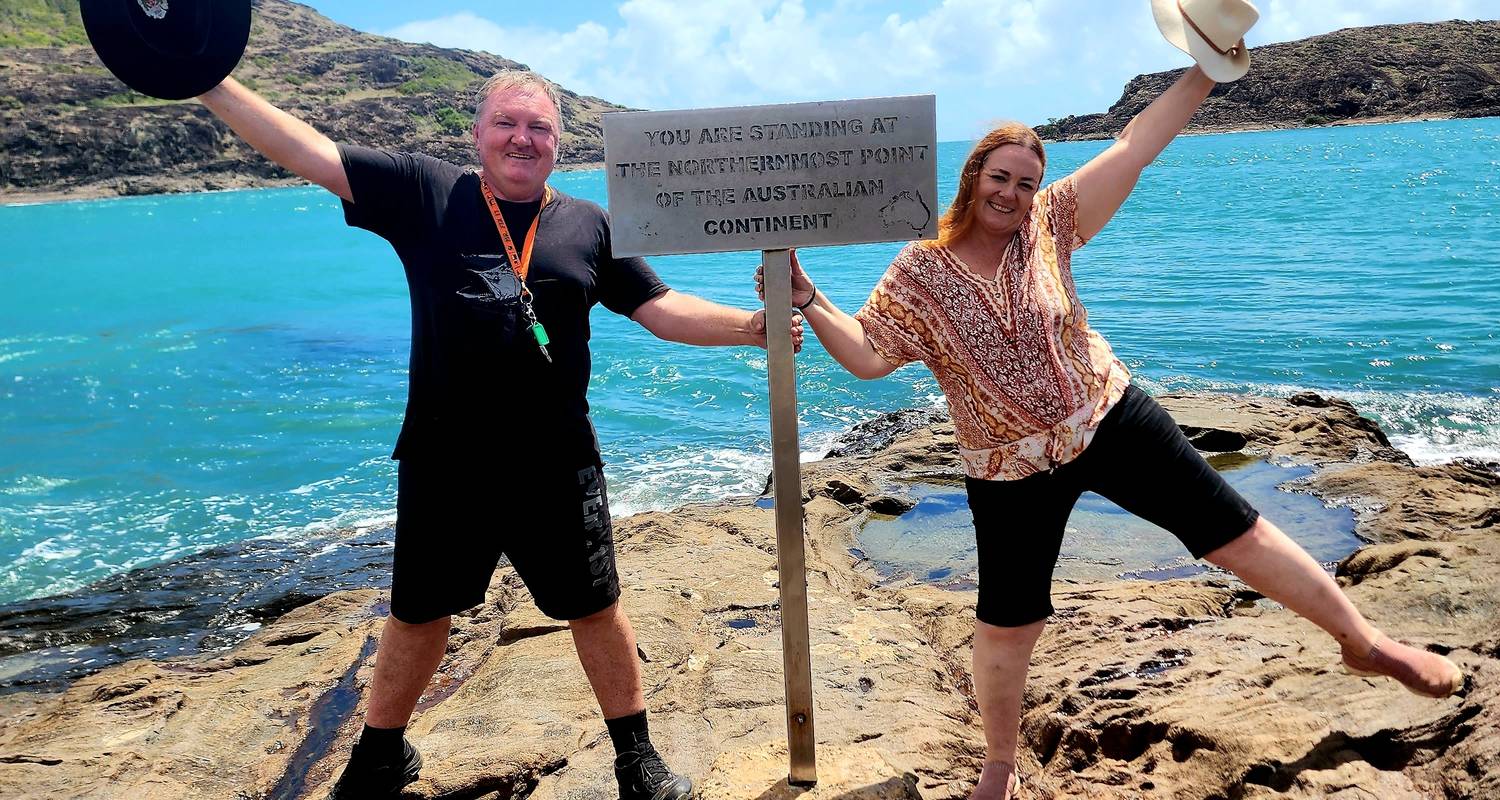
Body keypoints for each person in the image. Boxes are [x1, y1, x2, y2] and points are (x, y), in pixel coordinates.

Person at [758, 64, 1465, 800]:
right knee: (1009, 623)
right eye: (1000, 178)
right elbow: (871, 354)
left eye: (1026, 182)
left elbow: (1135, 144)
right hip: (1007, 468)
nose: (1012, 194)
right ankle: (999, 763)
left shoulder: (1053, 221)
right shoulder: (920, 269)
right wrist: (807, 298)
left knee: (1237, 533)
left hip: (1110, 417)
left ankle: (1366, 643)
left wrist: (1205, 71)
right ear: (972, 178)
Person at [196, 69, 802, 799]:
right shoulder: (428, 193)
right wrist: (210, 81)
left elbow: (659, 306)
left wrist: (750, 328)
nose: (523, 138)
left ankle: (635, 759)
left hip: (557, 459)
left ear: (558, 143)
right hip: (444, 456)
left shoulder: (588, 223)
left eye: (539, 128)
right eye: (507, 124)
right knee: (418, 614)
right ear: (478, 133)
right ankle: (381, 753)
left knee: (596, 608)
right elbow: (311, 153)